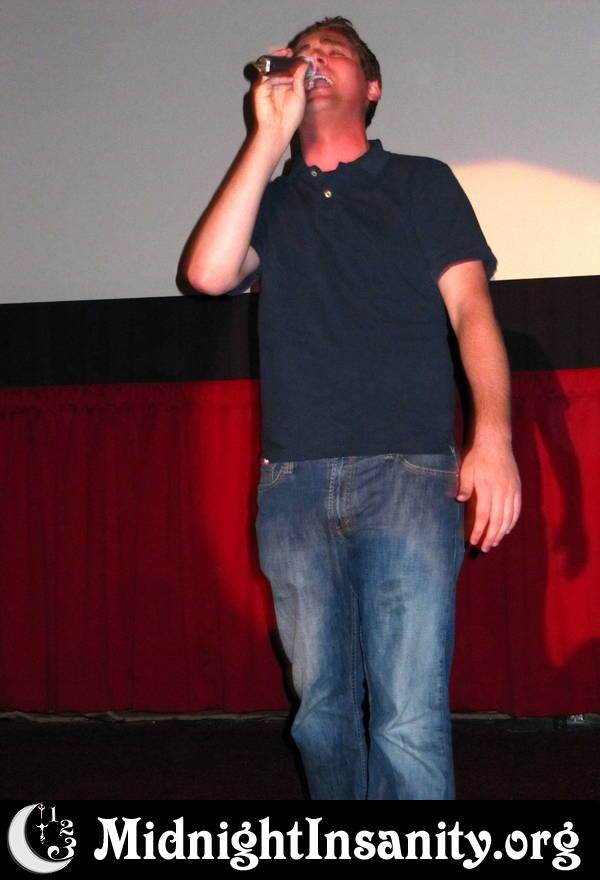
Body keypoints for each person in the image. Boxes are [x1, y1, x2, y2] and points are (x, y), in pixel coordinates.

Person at [180, 16, 522, 800]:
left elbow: (471, 311)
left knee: (407, 719)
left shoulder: (421, 183)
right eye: (303, 53)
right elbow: (206, 274)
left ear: (372, 88)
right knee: (321, 714)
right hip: (294, 481)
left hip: (408, 472)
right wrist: (268, 137)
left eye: (333, 53)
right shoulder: (272, 202)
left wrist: (493, 437)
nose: (314, 60)